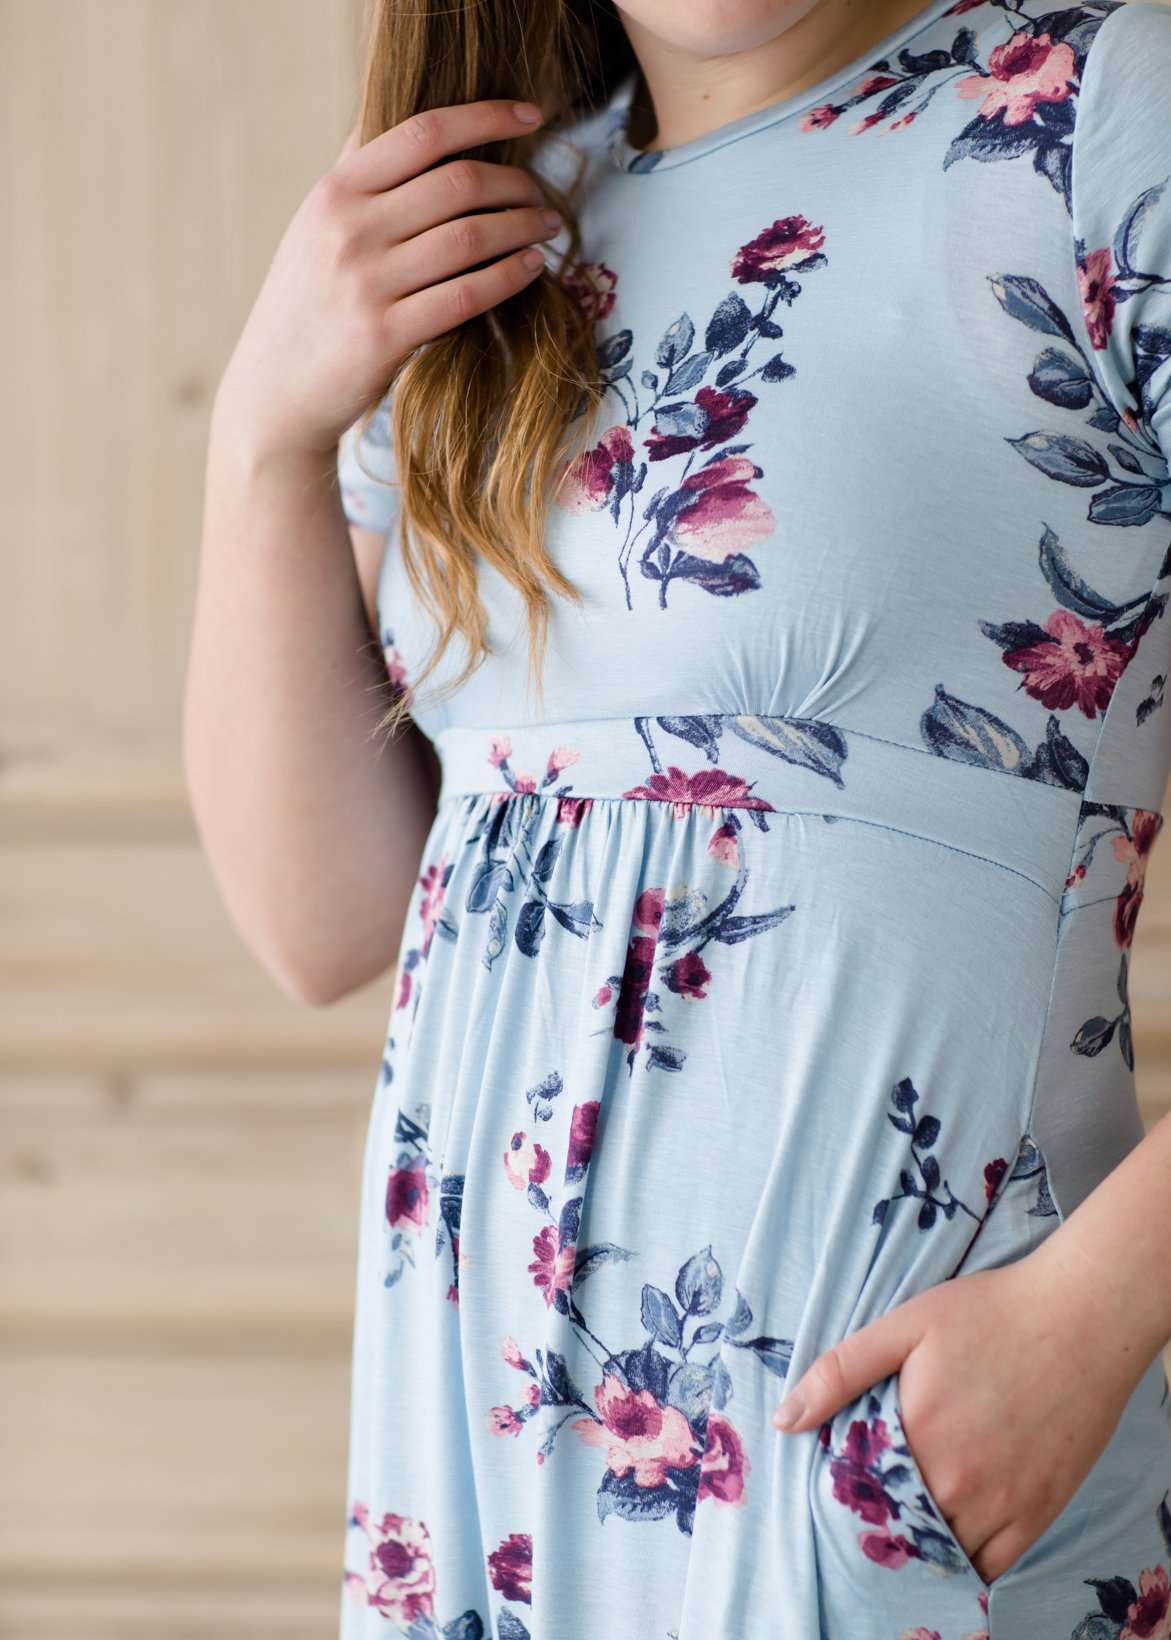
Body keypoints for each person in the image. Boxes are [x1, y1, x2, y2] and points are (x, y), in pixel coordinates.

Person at [183, 0, 1171, 1635]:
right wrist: (265, 439)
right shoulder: (494, 218)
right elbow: (321, 917)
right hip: (479, 1486)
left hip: (891, 1467)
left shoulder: (1088, 115)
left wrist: (1096, 1309)